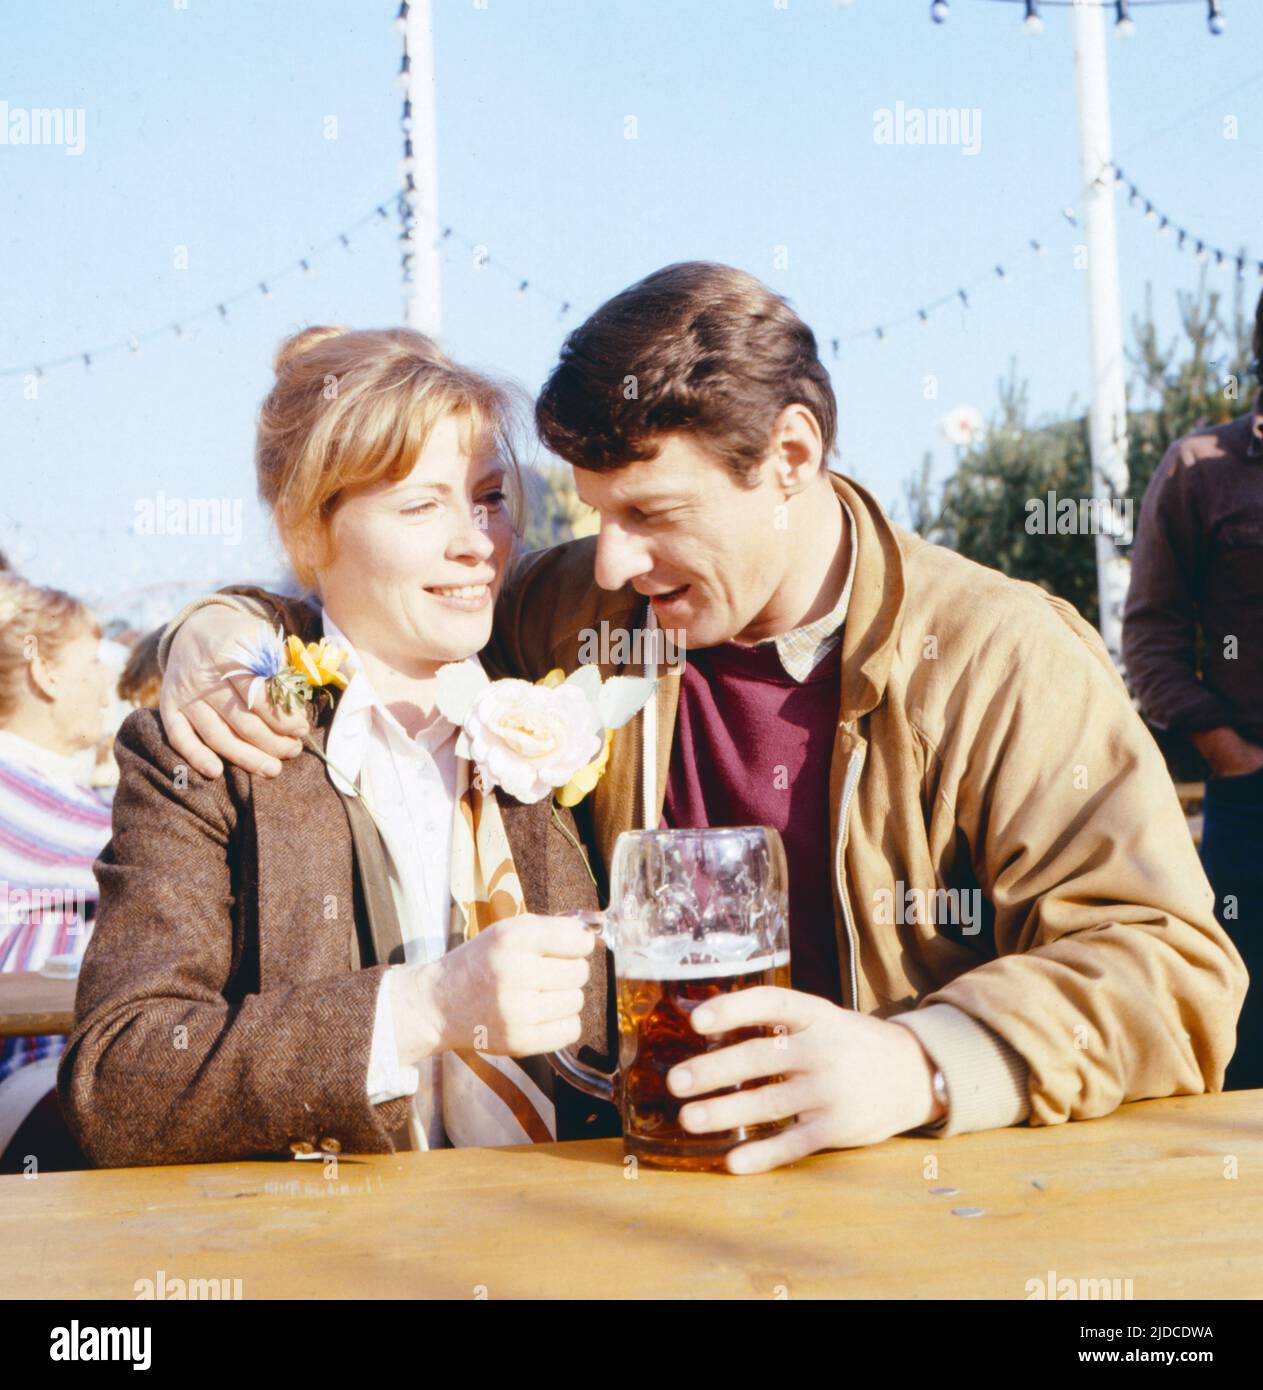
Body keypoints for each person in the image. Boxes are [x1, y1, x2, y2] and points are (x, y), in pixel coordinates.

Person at [156, 264, 1247, 1175]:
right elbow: (382, 602)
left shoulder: (1003, 659)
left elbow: (1173, 965)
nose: (615, 556)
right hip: (644, 1217)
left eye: (652, 514)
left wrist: (919, 1062)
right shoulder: (587, 608)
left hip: (924, 1214)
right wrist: (219, 629)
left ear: (791, 459)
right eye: (594, 515)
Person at [58, 327, 617, 1169]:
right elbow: (120, 1080)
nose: (476, 541)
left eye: (490, 497)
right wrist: (423, 1007)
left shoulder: (557, 696)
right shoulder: (220, 744)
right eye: (421, 505)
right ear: (306, 533)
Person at [1123, 287, 1263, 1091]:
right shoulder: (1200, 470)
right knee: (1245, 1042)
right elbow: (1149, 638)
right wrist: (1230, 754)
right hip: (1250, 800)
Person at [0, 573, 113, 1172]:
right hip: (33, 1070)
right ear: (43, 673)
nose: (106, 681)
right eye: (91, 661)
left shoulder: (48, 787)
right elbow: (151, 855)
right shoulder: (12, 787)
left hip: (64, 1061)